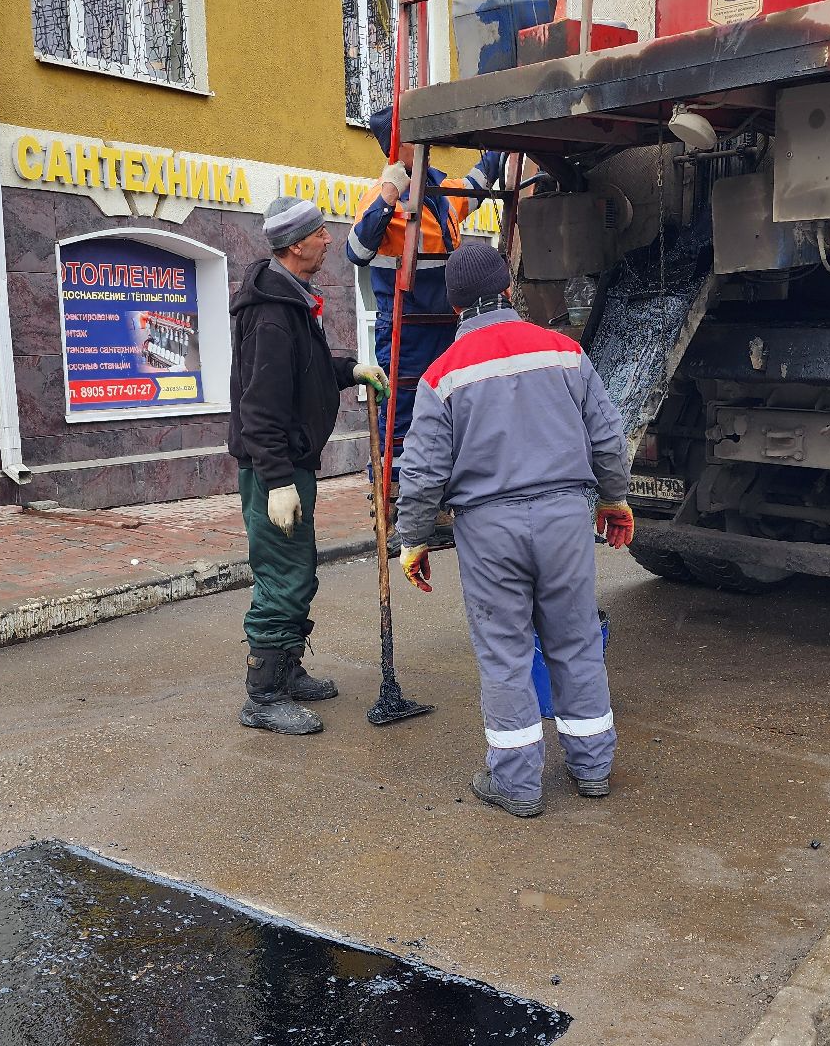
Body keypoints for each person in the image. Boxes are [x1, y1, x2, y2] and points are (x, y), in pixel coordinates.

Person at [394, 241, 636, 817]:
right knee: (575, 644)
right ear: (507, 290)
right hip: (565, 520)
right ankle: (593, 770)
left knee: (504, 655)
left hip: (489, 529)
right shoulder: (564, 352)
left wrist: (414, 538)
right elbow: (607, 435)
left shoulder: (442, 375)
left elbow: (422, 470)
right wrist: (614, 499)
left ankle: (519, 788)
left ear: (456, 308)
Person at [228, 196, 390, 735]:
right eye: (321, 234)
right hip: (275, 470)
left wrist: (349, 371)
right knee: (283, 577)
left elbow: (308, 370)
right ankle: (264, 695)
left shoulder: (290, 298)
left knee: (298, 570)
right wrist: (276, 480)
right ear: (296, 244)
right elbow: (259, 405)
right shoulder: (272, 315)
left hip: (291, 464)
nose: (328, 241)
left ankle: (288, 670)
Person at [347, 106, 507, 483]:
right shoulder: (380, 197)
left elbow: (478, 182)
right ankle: (397, 492)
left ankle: (438, 487)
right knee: (403, 412)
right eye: (415, 140)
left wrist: (502, 139)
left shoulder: (440, 190)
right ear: (395, 146)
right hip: (407, 327)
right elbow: (356, 251)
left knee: (450, 407)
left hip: (448, 325)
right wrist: (388, 195)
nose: (426, 147)